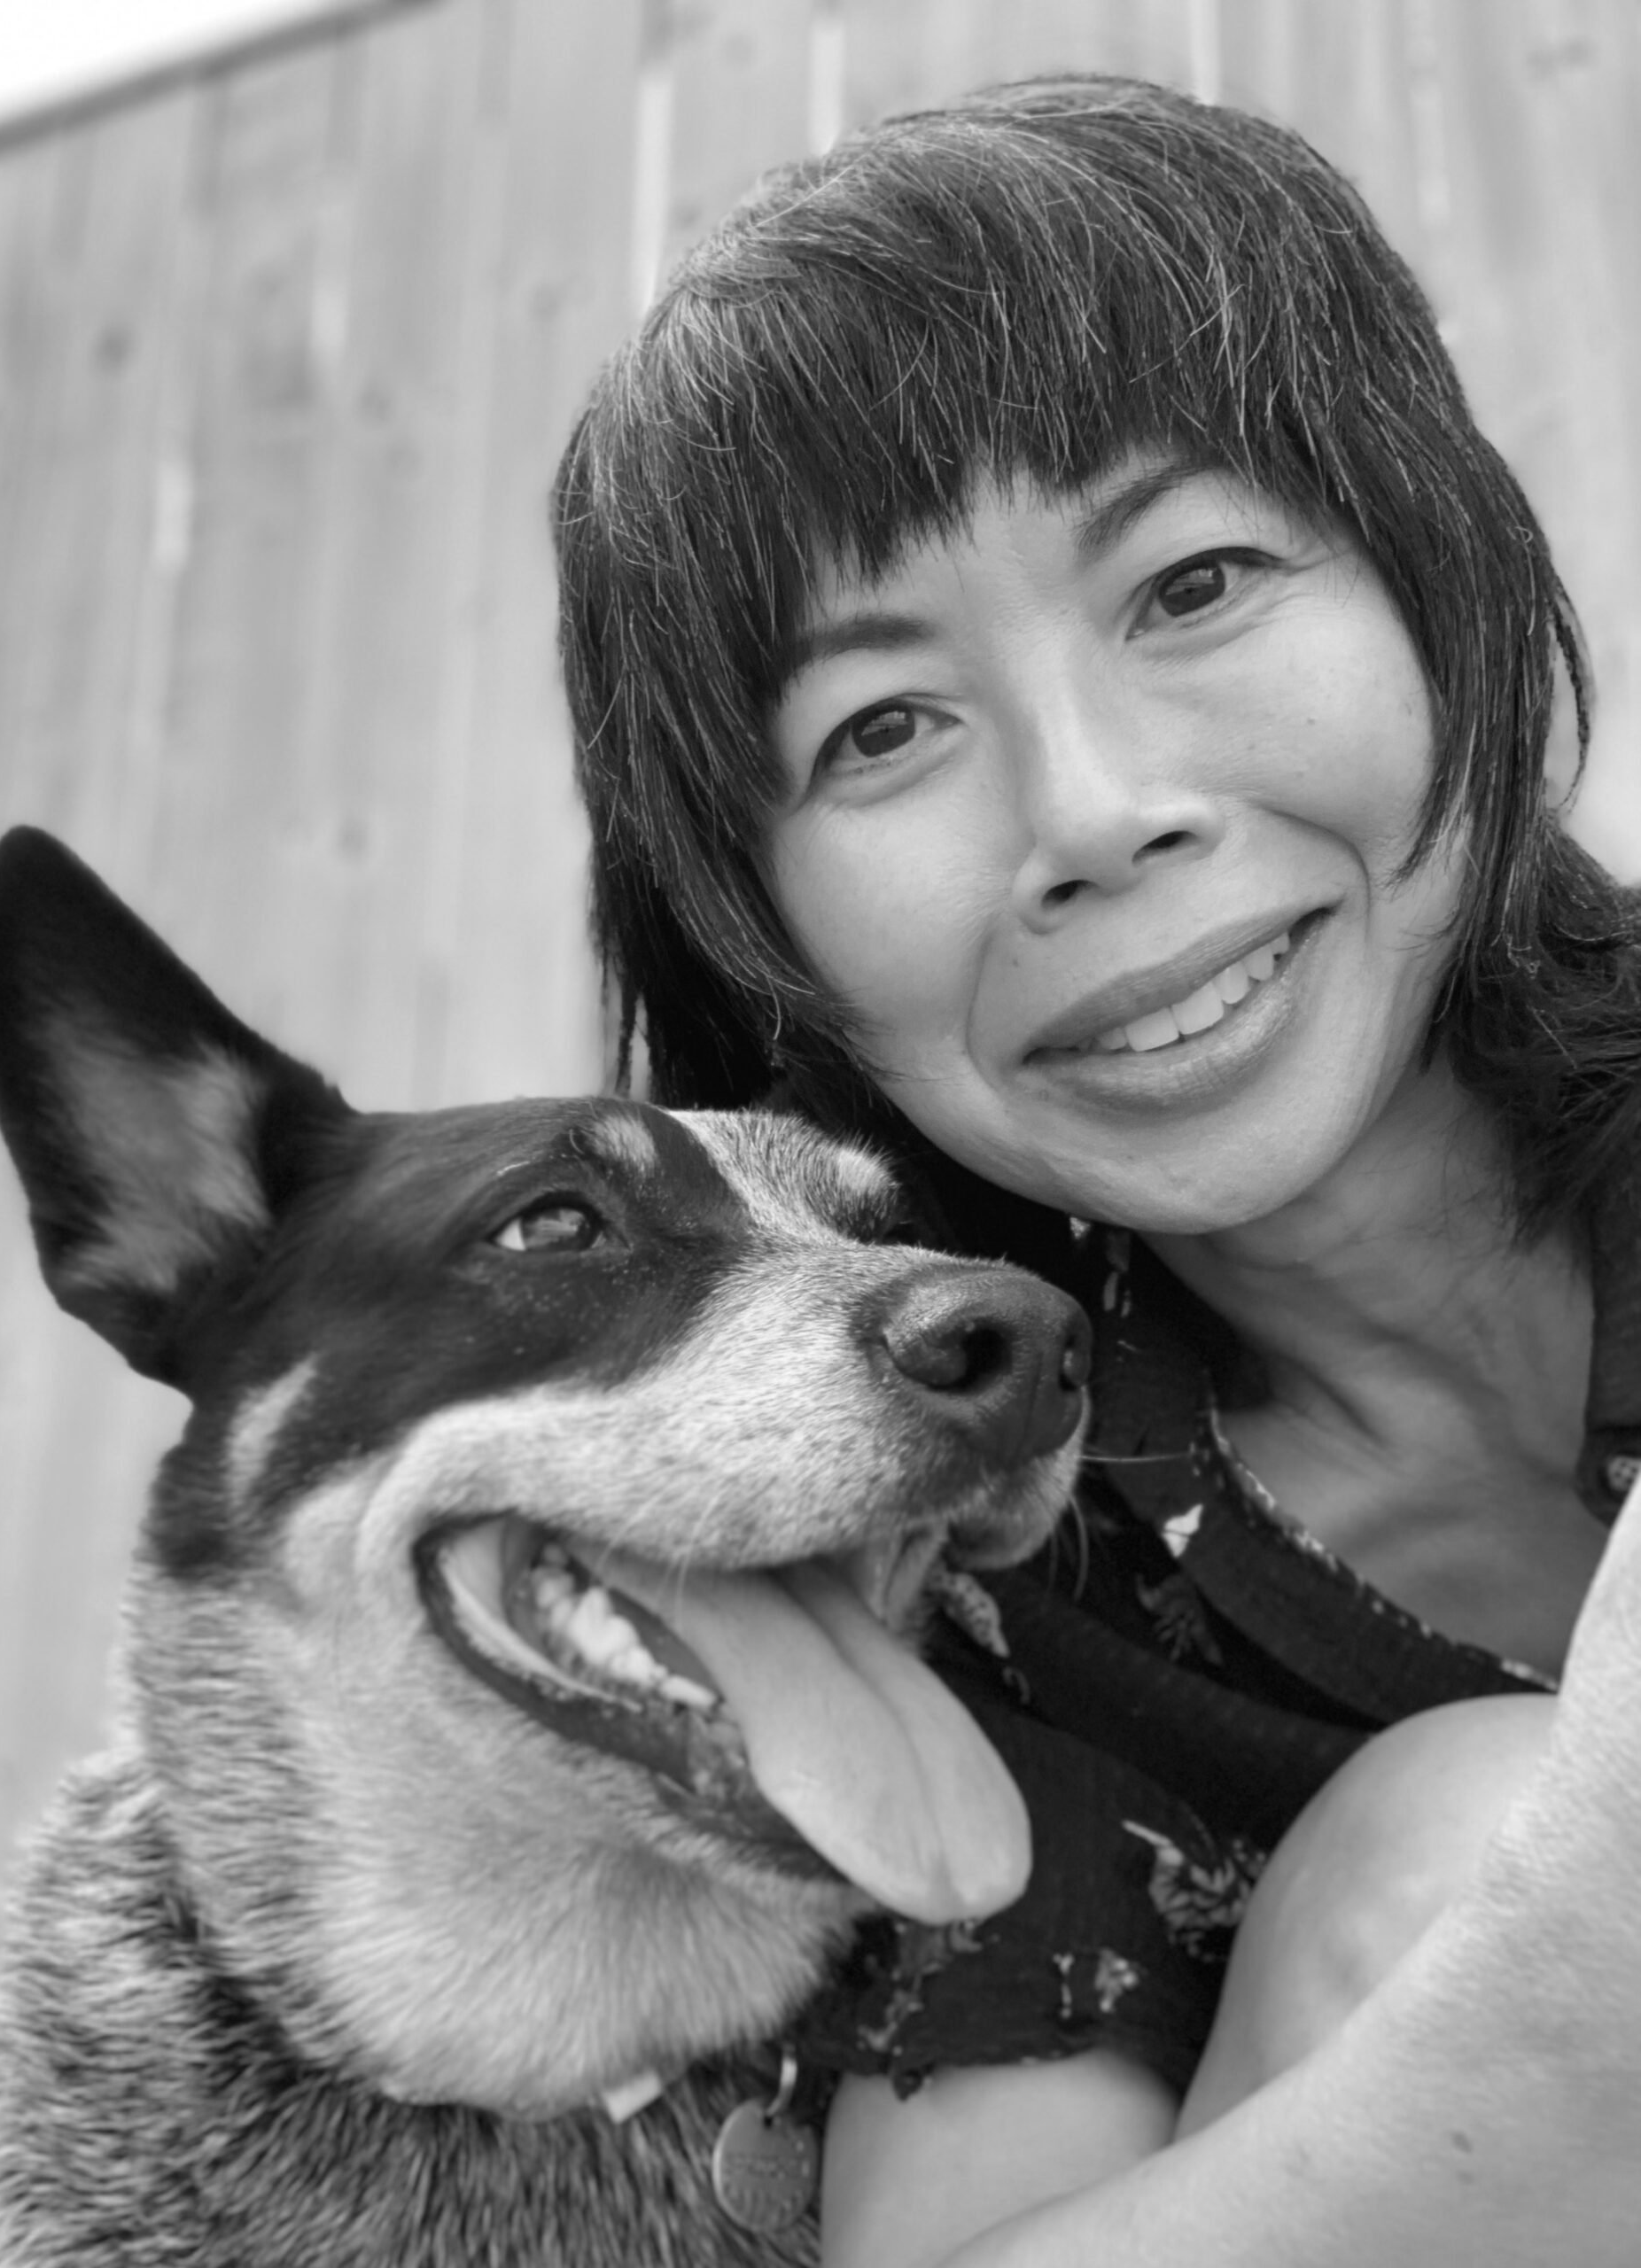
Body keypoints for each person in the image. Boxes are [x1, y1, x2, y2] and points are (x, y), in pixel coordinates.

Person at [548, 74, 1641, 2265]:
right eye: (879, 730)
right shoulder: (978, 1596)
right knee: (1450, 1837)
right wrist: (1565, 1982)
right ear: (767, 952)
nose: (1087, 809)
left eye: (1194, 580)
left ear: (1438, 577)